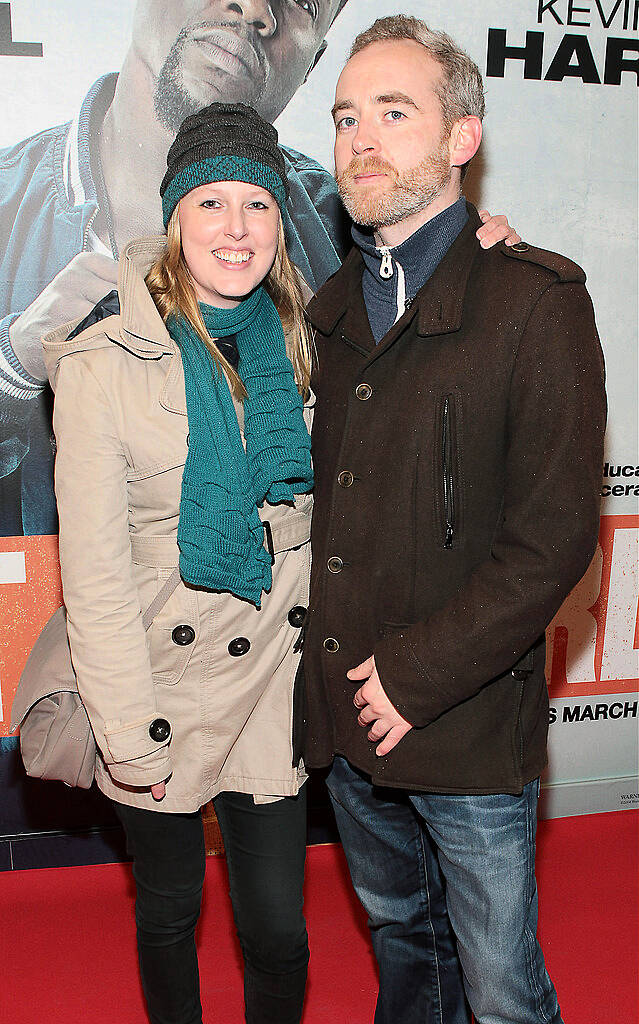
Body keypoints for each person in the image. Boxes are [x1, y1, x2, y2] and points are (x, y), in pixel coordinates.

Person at [302, 15, 606, 1024]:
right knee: (404, 952)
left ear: (462, 138)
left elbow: (553, 536)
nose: (363, 138)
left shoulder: (535, 300)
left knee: (503, 991)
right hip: (349, 726)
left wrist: (414, 676)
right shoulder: (331, 312)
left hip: (466, 725)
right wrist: (355, 690)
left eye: (395, 112)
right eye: (347, 117)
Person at [42, 102, 316, 1024]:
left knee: (278, 930)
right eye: (210, 203)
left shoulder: (313, 345)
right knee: (171, 911)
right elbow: (97, 581)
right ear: (174, 218)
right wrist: (125, 731)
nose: (235, 229)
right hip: (159, 683)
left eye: (257, 204)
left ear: (281, 221)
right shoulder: (101, 364)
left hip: (273, 684)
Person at [0, 0, 353, 537]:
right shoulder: (6, 198)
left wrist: (477, 252)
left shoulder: (349, 229)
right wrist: (12, 374)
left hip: (265, 610)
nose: (257, 8)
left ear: (314, 59)